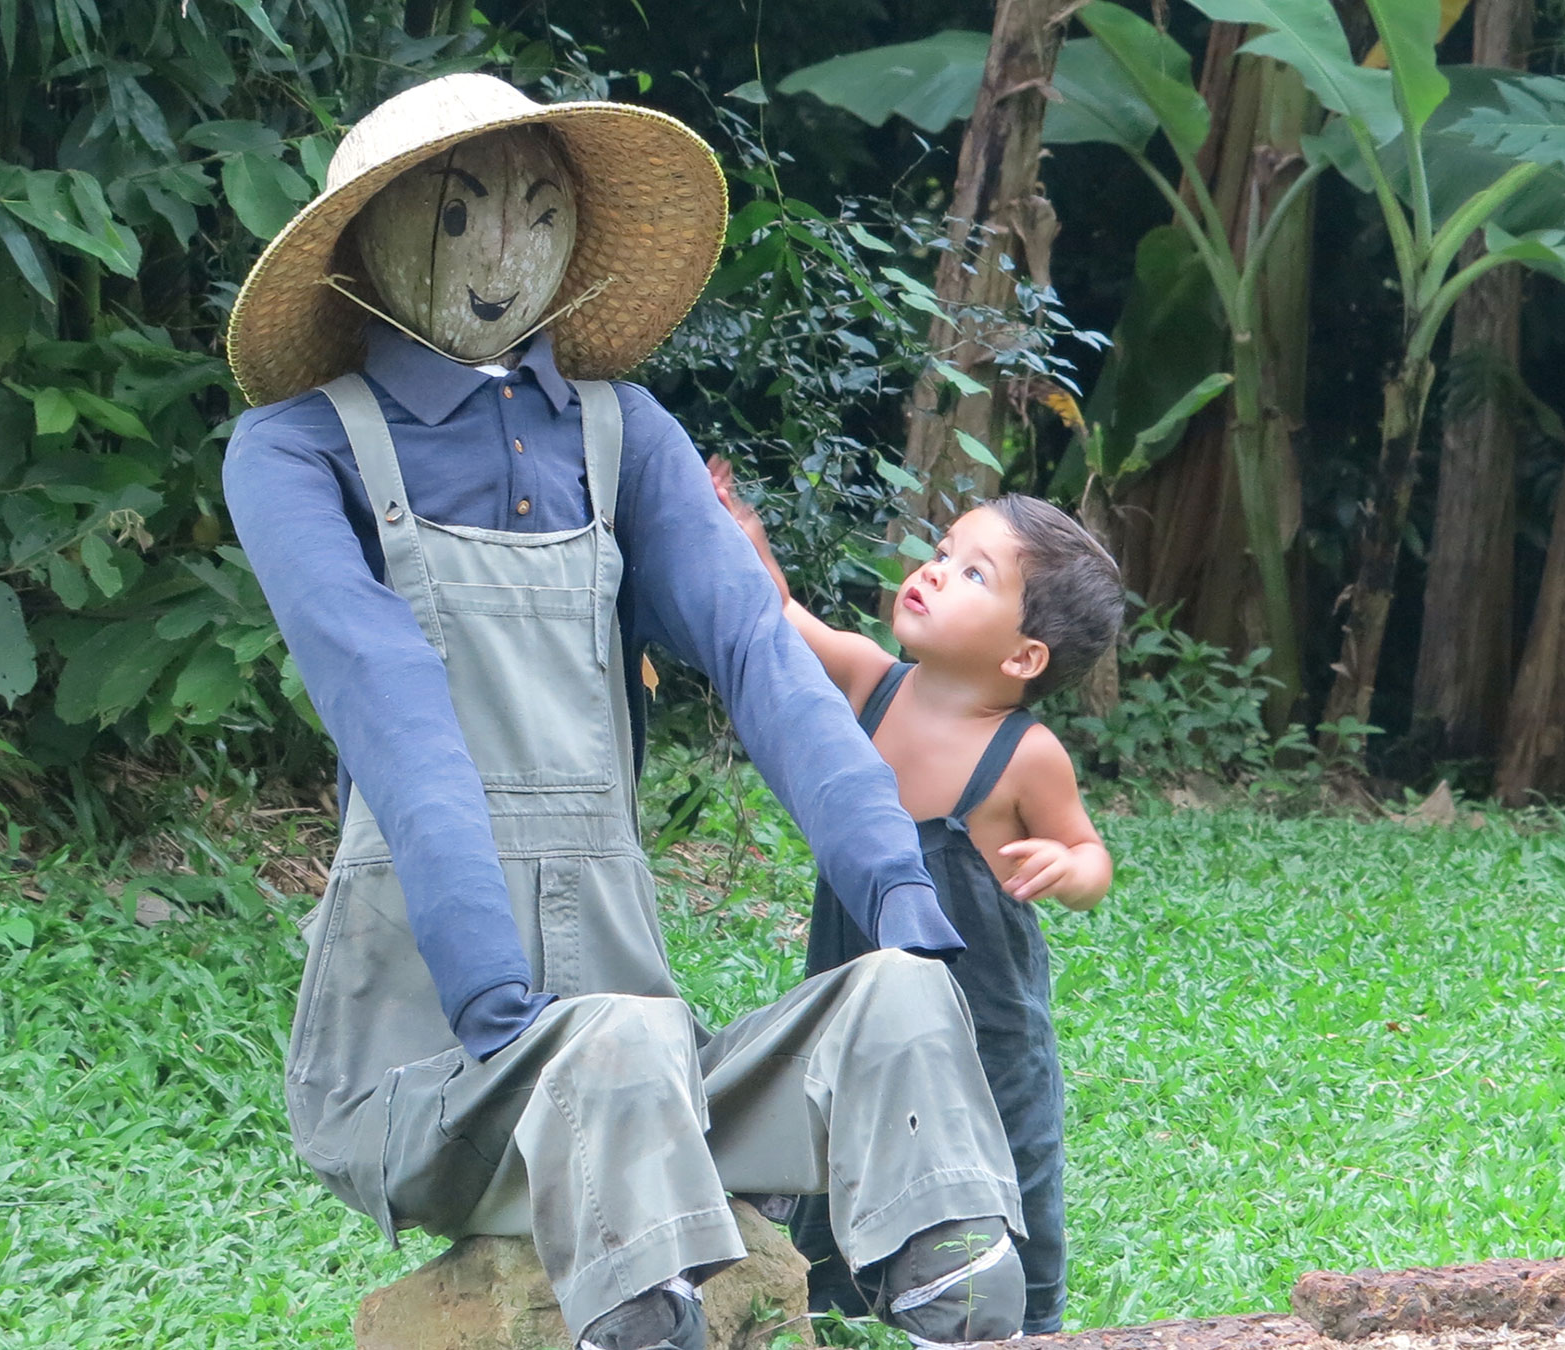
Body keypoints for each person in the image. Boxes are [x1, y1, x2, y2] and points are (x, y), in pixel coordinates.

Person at [221, 72, 1033, 1350]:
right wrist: (495, 1002)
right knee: (602, 1048)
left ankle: (953, 1287)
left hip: (651, 1066)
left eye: (539, 213)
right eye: (459, 215)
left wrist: (896, 889)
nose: (504, 252)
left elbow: (758, 656)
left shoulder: (624, 434)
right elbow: (389, 703)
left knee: (893, 1003)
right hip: (434, 1076)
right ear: (367, 243)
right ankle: (637, 1308)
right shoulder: (296, 449)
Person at [711, 458, 1123, 1334]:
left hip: (987, 1037)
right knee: (842, 1146)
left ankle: (1012, 1319)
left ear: (1023, 656)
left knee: (1005, 1169)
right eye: (941, 552)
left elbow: (1093, 856)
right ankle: (836, 1303)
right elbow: (779, 620)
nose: (933, 570)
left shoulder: (1025, 755)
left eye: (973, 573)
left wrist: (1068, 866)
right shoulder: (870, 681)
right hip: (854, 1018)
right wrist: (746, 544)